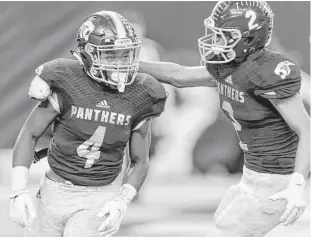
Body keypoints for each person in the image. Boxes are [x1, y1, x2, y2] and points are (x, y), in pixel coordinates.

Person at [139, 1, 310, 236]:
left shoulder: (268, 71)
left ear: (249, 39)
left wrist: (298, 183)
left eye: (224, 36)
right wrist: (130, 66)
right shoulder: (231, 67)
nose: (216, 42)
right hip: (252, 176)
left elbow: (306, 130)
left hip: (275, 182)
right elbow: (180, 75)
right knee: (222, 222)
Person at [9, 10, 167, 237]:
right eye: (111, 55)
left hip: (98, 195)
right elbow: (29, 134)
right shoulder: (65, 80)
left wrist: (122, 200)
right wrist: (18, 189)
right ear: (88, 55)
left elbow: (140, 160)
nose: (121, 63)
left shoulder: (142, 93)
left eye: (125, 55)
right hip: (52, 191)